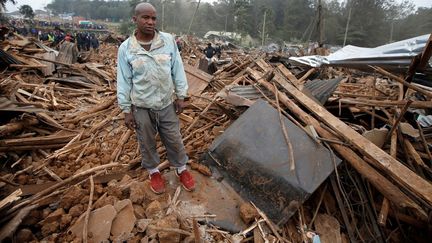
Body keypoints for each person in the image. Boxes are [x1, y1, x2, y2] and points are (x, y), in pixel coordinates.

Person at [117, 2, 195, 194]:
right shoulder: (126, 48)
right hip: (141, 106)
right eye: (145, 17)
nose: (150, 22)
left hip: (166, 103)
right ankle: (154, 172)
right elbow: (124, 80)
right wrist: (126, 110)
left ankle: (181, 169)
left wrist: (181, 95)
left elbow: (177, 69)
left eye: (153, 18)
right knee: (146, 141)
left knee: (174, 138)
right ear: (135, 19)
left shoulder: (168, 41)